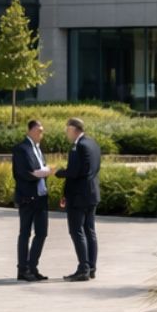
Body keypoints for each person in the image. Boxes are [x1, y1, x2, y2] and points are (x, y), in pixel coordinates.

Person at [57, 117, 102, 281]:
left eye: (67, 130)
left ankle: (83, 268)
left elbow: (75, 172)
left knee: (77, 230)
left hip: (78, 196)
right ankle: (91, 268)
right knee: (90, 231)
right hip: (91, 194)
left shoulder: (78, 146)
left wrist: (59, 172)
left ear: (74, 129)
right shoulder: (93, 144)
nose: (66, 133)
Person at [10, 118, 54, 281]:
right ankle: (23, 269)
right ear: (29, 131)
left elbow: (39, 168)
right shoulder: (21, 149)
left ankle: (32, 266)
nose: (41, 134)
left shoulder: (38, 149)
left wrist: (45, 172)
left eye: (42, 131)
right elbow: (21, 173)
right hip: (28, 197)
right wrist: (36, 174)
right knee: (25, 233)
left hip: (41, 197)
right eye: (38, 130)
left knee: (42, 233)